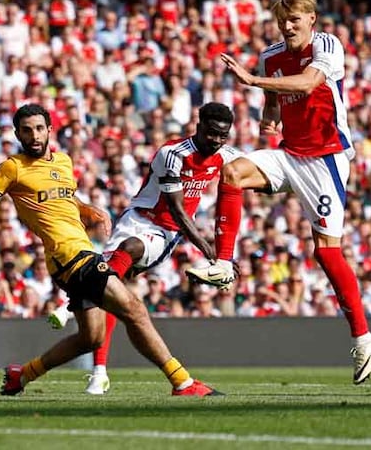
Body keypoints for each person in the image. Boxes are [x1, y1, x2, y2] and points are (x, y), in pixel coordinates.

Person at [0, 103, 220, 397]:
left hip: (79, 254)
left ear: (49, 129)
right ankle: (182, 382)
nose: (34, 136)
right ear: (17, 134)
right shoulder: (12, 168)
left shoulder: (63, 162)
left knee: (92, 337)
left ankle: (22, 375)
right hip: (70, 257)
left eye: (39, 129)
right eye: (26, 131)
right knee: (135, 310)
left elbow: (67, 202)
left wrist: (90, 211)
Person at [209, 0, 371, 385]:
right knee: (232, 171)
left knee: (326, 252)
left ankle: (363, 338)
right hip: (291, 154)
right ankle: (222, 262)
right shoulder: (271, 56)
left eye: (295, 19)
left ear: (311, 20)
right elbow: (275, 96)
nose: (288, 26)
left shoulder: (328, 45)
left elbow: (306, 84)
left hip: (327, 159)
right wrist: (269, 117)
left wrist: (251, 80)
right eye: (282, 20)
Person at [54, 102, 240, 395]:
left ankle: (75, 302)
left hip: (164, 233)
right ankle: (99, 373)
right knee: (114, 289)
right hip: (137, 217)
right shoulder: (172, 154)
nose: (216, 141)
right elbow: (178, 208)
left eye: (223, 136)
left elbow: (179, 218)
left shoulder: (227, 157)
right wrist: (210, 251)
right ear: (198, 126)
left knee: (123, 259)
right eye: (212, 133)